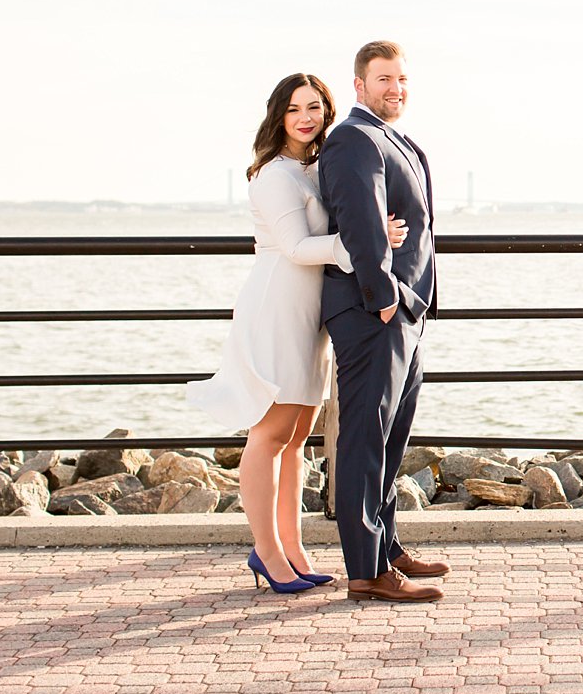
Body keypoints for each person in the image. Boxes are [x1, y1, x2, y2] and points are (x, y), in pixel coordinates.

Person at [188, 73, 408, 595]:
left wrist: (372, 233)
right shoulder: (274, 176)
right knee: (269, 435)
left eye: (314, 107)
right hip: (277, 308)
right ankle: (266, 553)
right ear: (278, 117)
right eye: (293, 109)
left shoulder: (315, 167)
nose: (305, 118)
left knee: (295, 440)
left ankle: (295, 548)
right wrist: (363, 248)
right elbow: (294, 246)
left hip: (312, 313)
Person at [320, 40, 447, 603]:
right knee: (365, 441)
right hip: (377, 310)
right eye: (383, 79)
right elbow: (361, 222)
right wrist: (383, 297)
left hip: (407, 311)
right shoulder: (351, 138)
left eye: (401, 79)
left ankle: (386, 544)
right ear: (359, 85)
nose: (395, 88)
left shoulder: (394, 138)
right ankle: (366, 573)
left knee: (391, 438)